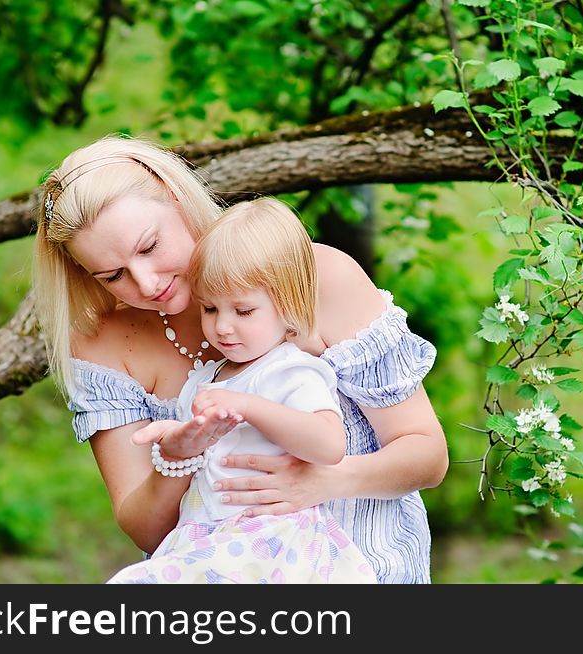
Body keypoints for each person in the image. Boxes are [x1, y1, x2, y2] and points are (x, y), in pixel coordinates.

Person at [33, 134, 447, 584]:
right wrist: (177, 460)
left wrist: (323, 481)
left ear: (176, 198)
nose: (147, 283)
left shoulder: (316, 279)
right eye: (114, 275)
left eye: (150, 247)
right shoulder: (104, 347)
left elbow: (427, 454)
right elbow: (147, 532)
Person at [107, 198, 376, 583]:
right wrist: (178, 439)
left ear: (288, 305)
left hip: (268, 538)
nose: (223, 327)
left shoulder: (289, 370)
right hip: (209, 533)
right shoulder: (207, 379)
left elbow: (329, 444)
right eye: (210, 309)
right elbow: (207, 450)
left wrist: (251, 406)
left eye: (243, 311)